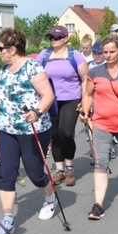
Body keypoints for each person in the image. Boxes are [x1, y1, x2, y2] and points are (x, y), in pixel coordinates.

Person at [0, 27, 57, 234]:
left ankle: (50, 199)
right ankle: (7, 219)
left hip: (31, 129)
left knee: (35, 172)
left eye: (1, 48)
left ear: (12, 49)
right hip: (6, 130)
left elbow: (48, 95)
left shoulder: (32, 67)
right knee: (6, 174)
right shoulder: (3, 70)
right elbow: (0, 100)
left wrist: (37, 112)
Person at [79, 34, 118, 220]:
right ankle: (98, 204)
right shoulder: (95, 72)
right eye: (105, 52)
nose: (108, 55)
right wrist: (85, 112)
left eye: (112, 51)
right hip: (101, 123)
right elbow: (88, 94)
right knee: (100, 163)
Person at [37, 26, 88, 186]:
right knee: (55, 135)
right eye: (51, 37)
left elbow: (86, 79)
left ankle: (69, 168)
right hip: (51, 100)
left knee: (66, 133)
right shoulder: (44, 55)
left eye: (57, 37)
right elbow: (34, 75)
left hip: (71, 98)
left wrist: (84, 101)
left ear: (66, 38)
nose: (53, 40)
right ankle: (59, 170)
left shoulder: (75, 56)